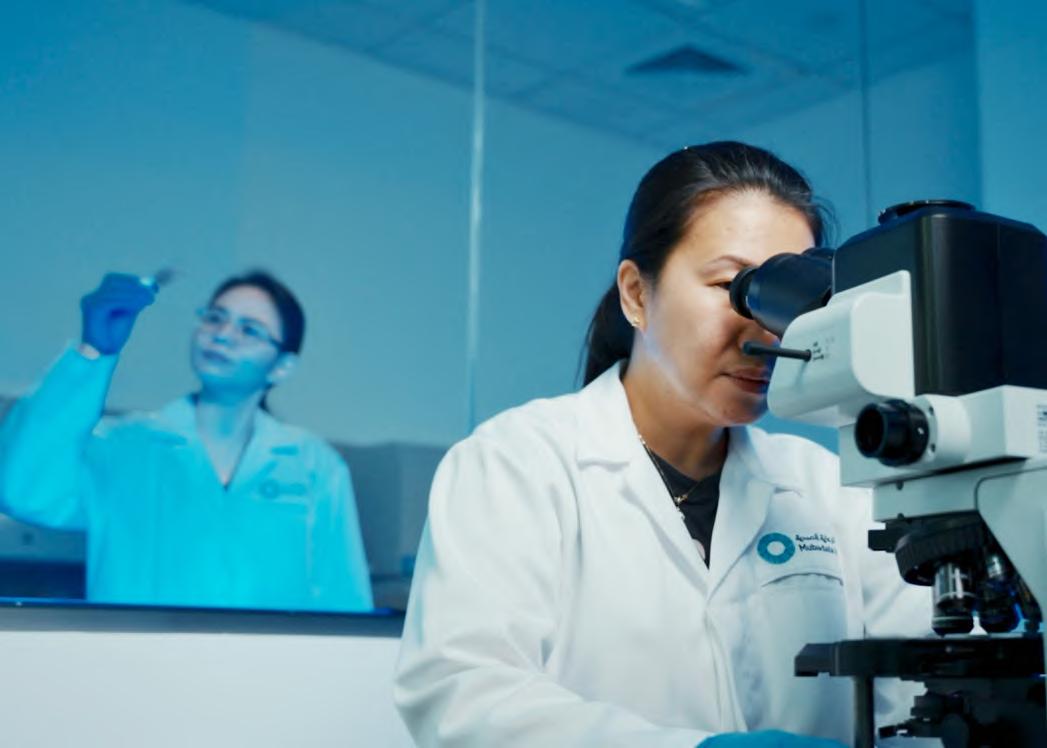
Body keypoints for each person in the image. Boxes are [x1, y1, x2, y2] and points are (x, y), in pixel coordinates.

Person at [393, 142, 929, 746]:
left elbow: (917, 690)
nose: (766, 330)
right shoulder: (516, 464)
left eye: (790, 297)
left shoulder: (830, 487)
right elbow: (464, 696)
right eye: (732, 285)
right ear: (637, 294)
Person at [0, 270, 373, 612]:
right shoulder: (125, 447)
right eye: (215, 318)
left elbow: (346, 604)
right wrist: (91, 354)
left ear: (282, 366)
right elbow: (23, 491)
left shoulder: (314, 465)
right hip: (141, 662)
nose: (222, 334)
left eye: (249, 330)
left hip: (269, 666)